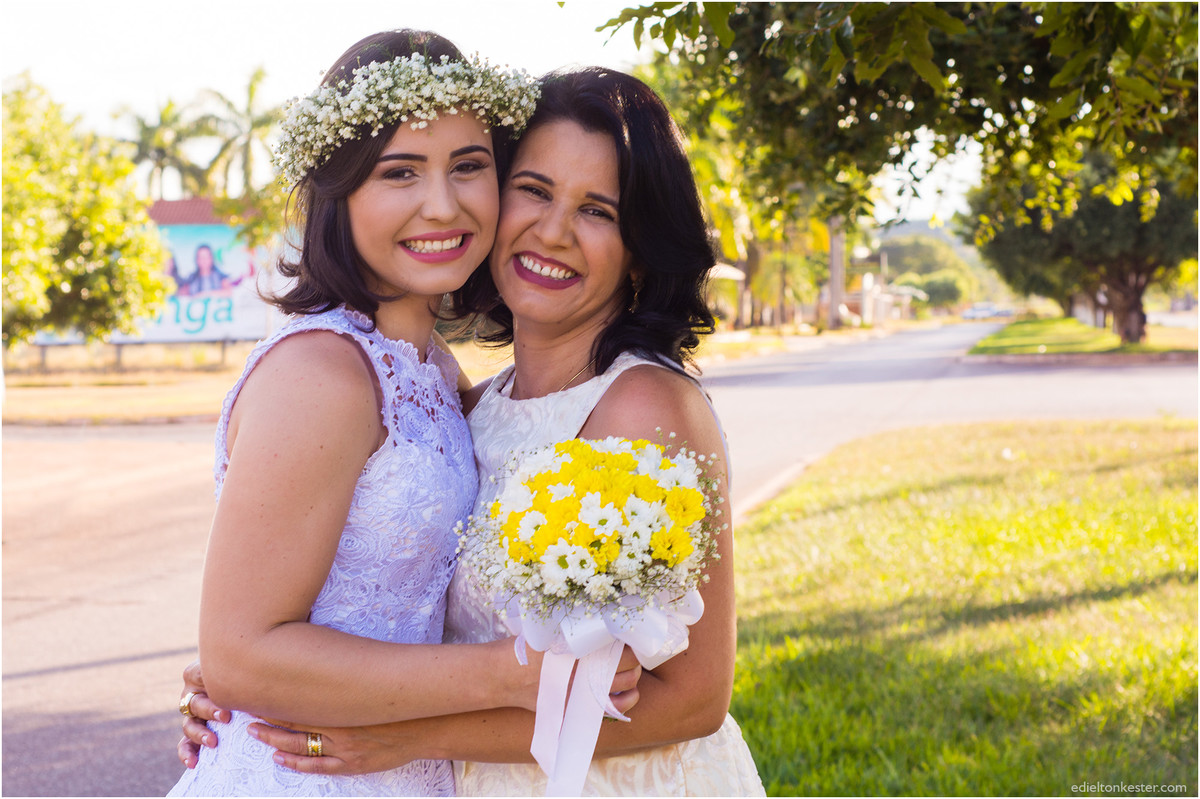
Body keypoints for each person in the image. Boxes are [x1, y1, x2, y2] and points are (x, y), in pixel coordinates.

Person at [179, 66, 765, 796]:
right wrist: (258, 678)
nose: (552, 231)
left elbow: (694, 696)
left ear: (641, 248)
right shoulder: (462, 398)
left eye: (599, 211)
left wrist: (405, 737)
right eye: (535, 189)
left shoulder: (646, 407)